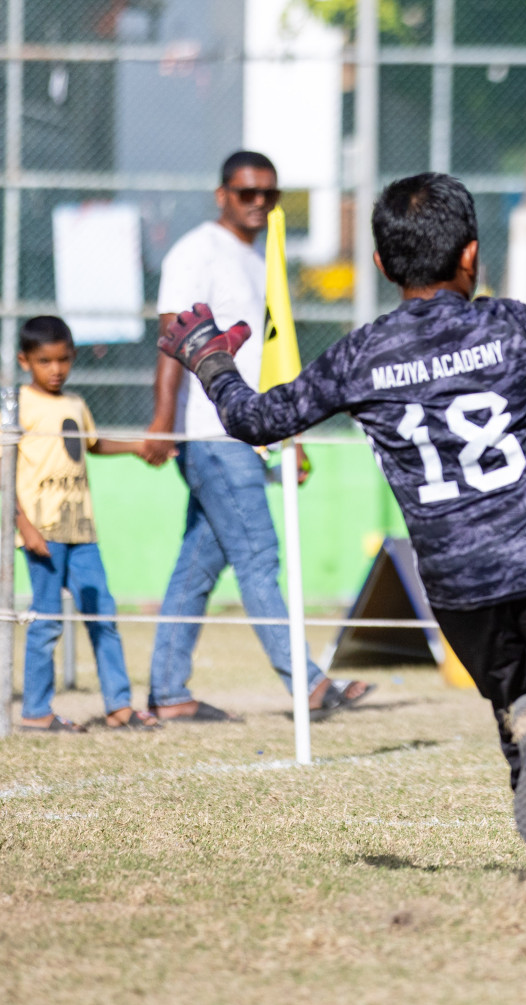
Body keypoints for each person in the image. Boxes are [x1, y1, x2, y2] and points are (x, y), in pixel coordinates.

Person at [155, 172, 526, 907]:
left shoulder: (361, 356)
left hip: (456, 585)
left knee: (521, 719)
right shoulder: (512, 325)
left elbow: (257, 421)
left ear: (382, 266)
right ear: (472, 254)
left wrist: (208, 356)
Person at [142, 150, 371, 722]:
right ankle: (310, 687)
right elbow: (175, 338)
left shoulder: (260, 254)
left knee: (198, 565)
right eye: (247, 193)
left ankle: (169, 693)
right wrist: (163, 420)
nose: (259, 203)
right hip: (212, 434)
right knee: (259, 557)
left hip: (251, 432)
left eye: (269, 194)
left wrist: (286, 434)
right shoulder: (197, 250)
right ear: (222, 194)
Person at [15, 317, 159, 733]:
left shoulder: (75, 404)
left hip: (82, 533)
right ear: (26, 361)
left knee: (102, 615)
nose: (55, 369)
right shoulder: (18, 406)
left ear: (73, 357)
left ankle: (118, 706)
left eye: (63, 360)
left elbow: (92, 445)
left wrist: (136, 448)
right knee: (46, 622)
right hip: (43, 534)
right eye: (45, 361)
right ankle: (36, 712)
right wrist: (25, 526)